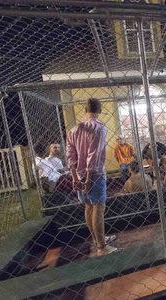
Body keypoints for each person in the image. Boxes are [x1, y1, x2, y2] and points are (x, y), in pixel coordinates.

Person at [66, 98, 117, 256]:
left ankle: (97, 240)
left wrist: (75, 177)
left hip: (79, 174)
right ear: (99, 110)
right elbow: (93, 155)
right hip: (93, 174)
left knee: (88, 206)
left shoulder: (75, 128)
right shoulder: (99, 128)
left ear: (85, 109)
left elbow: (70, 154)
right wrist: (88, 179)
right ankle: (102, 247)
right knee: (98, 208)